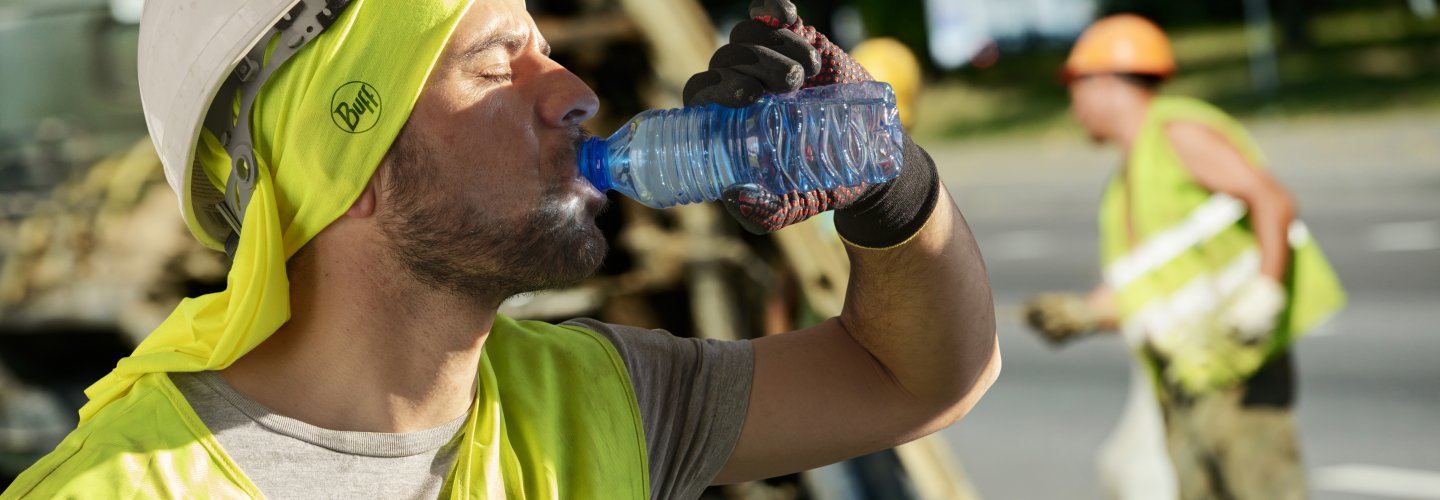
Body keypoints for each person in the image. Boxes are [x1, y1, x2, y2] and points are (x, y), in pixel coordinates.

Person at [2, 0, 999, 498]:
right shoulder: (119, 485)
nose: (573, 93)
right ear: (349, 158)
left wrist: (888, 182)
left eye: (545, 46)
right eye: (497, 62)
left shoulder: (593, 397)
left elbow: (916, 377)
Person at [1023, 14, 1344, 500]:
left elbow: (1271, 199)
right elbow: (1152, 283)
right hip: (1190, 378)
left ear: (1106, 82)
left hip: (1241, 368)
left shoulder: (1177, 133)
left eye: (1076, 87)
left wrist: (1266, 289)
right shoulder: (1127, 178)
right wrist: (1085, 313)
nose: (1074, 105)